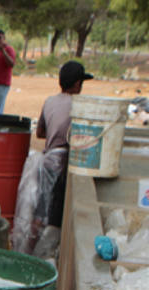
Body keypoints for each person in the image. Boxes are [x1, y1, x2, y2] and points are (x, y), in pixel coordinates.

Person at [36, 60, 93, 228]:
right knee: (55, 212)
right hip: (62, 162)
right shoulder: (78, 105)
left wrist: (54, 132)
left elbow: (40, 132)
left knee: (42, 208)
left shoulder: (49, 101)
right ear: (77, 84)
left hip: (47, 159)